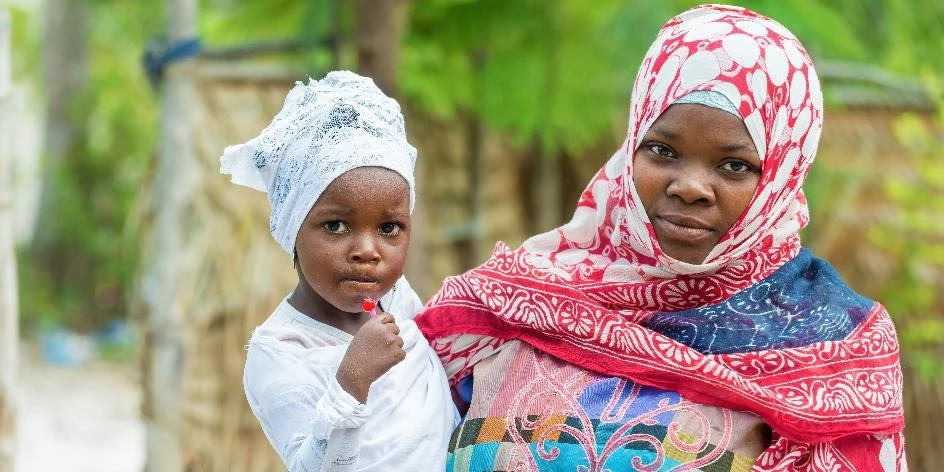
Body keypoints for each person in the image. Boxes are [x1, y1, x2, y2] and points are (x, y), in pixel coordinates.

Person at [415, 4, 906, 471]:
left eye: (734, 165)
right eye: (662, 150)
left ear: (781, 176)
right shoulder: (507, 304)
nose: (690, 187)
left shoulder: (834, 347)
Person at [220, 70, 458, 471]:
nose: (367, 251)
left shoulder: (399, 302)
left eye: (388, 229)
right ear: (292, 227)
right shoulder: (281, 349)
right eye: (336, 226)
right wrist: (353, 380)